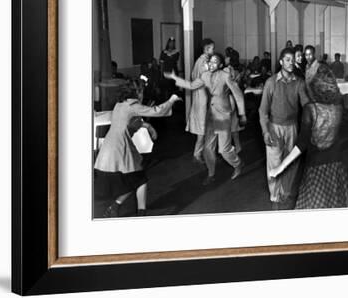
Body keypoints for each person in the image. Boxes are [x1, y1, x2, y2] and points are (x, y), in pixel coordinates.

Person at [94, 81, 182, 218]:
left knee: (137, 180)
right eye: (141, 91)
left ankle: (118, 208)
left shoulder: (120, 104)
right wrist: (172, 99)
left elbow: (130, 122)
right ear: (137, 92)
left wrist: (147, 125)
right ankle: (138, 212)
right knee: (139, 180)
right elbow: (157, 111)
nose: (142, 93)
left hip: (109, 148)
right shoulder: (133, 105)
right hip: (120, 148)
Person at [269, 65, 348, 209]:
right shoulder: (339, 106)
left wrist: (280, 167)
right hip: (336, 167)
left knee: (312, 211)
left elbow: (301, 144)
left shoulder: (310, 110)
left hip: (316, 168)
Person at [166, 54, 247, 185]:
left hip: (222, 116)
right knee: (208, 149)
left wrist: (242, 114)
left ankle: (238, 164)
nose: (211, 64)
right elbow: (191, 85)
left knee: (223, 150)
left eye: (215, 62)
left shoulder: (225, 76)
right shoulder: (204, 75)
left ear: (220, 65)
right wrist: (175, 77)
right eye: (210, 61)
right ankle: (211, 174)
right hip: (211, 116)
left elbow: (238, 94)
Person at [259, 47, 309, 209]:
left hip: (292, 128)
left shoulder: (299, 82)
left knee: (291, 161)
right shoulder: (271, 82)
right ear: (281, 62)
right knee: (274, 163)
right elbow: (262, 110)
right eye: (287, 60)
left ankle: (286, 192)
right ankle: (275, 196)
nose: (290, 63)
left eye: (293, 60)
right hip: (274, 127)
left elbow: (306, 105)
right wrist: (266, 131)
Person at [186, 38, 214, 164]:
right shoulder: (203, 62)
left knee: (204, 127)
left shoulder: (200, 61)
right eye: (212, 48)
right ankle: (197, 154)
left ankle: (201, 152)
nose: (213, 51)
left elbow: (193, 76)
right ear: (207, 49)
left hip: (201, 96)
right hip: (202, 96)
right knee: (202, 128)